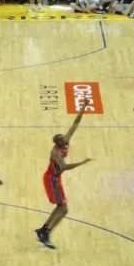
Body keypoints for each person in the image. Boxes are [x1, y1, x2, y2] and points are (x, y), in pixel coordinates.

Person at [35, 100, 91, 248]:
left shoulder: (65, 141)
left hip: (55, 178)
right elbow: (64, 167)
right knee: (63, 209)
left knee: (61, 207)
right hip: (51, 179)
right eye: (61, 139)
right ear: (58, 143)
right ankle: (46, 232)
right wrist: (82, 162)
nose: (65, 139)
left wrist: (84, 107)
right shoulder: (55, 153)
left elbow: (75, 124)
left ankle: (44, 229)